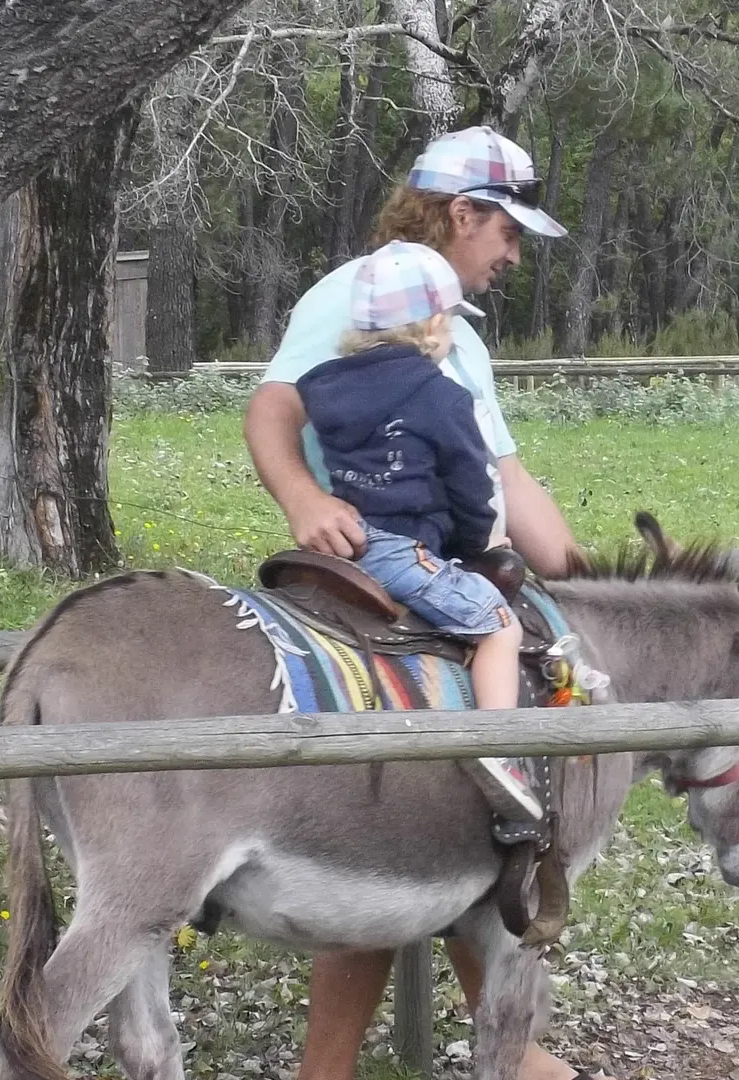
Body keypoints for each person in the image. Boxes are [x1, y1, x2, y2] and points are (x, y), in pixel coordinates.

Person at [244, 126, 601, 1080]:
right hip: (381, 580)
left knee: (432, 840)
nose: (513, 255)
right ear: (462, 213)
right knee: (413, 815)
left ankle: (495, 1048)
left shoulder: (456, 334)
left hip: (445, 569)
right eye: (508, 233)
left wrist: (584, 584)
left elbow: (504, 473)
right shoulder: (353, 296)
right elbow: (275, 408)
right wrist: (305, 501)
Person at [294, 238, 541, 821]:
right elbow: (472, 486)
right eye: (450, 320)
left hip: (346, 543)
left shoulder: (322, 386)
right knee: (498, 625)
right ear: (432, 325)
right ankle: (497, 751)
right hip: (402, 551)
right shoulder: (442, 396)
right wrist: (481, 542)